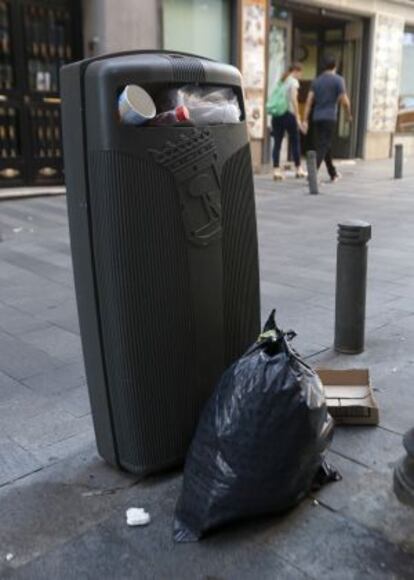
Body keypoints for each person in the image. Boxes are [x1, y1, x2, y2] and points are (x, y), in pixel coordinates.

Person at [303, 55, 352, 182]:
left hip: (317, 117)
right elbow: (344, 100)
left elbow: (309, 101)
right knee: (323, 145)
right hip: (330, 117)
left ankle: (332, 173)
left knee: (325, 144)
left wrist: (305, 119)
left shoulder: (316, 81)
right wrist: (348, 114)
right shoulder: (338, 80)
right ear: (334, 66)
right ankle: (312, 173)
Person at [268, 63, 307, 181]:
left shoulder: (281, 81)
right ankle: (299, 169)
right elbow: (294, 99)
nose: (301, 75)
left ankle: (276, 170)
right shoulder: (293, 82)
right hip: (288, 114)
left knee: (277, 143)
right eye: (300, 73)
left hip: (277, 114)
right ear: (296, 71)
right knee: (295, 141)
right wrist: (298, 116)